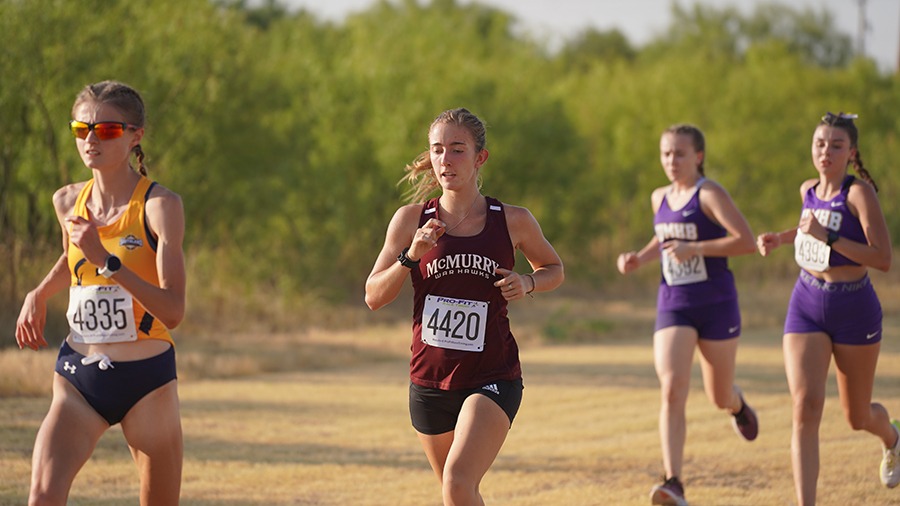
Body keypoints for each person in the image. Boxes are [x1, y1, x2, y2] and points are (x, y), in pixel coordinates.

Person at [365, 108, 564, 505]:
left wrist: (527, 282)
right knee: (459, 493)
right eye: (438, 150)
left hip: (492, 375)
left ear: (480, 158)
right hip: (429, 380)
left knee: (457, 481)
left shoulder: (512, 220)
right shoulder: (410, 221)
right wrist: (410, 256)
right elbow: (373, 296)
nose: (445, 160)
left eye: (457, 150)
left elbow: (554, 269)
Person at [15, 80, 185, 505]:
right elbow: (73, 261)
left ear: (134, 136)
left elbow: (173, 310)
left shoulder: (159, 207)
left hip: (147, 381)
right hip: (79, 377)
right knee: (41, 496)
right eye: (81, 129)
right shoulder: (67, 200)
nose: (91, 139)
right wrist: (38, 292)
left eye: (107, 130)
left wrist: (108, 261)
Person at [756, 112, 898, 505]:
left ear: (851, 152)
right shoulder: (808, 190)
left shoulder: (858, 195)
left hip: (854, 308)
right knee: (805, 406)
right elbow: (808, 229)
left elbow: (883, 258)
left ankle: (893, 437)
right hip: (806, 302)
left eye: (836, 145)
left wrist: (830, 236)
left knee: (857, 418)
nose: (826, 151)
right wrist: (780, 239)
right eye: (820, 143)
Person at [616, 124, 759, 506]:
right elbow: (663, 241)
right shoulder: (658, 196)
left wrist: (695, 248)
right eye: (665, 154)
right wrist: (639, 258)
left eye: (680, 154)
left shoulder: (709, 194)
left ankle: (737, 404)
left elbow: (745, 241)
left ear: (698, 156)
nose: (671, 161)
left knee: (718, 394)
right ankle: (673, 480)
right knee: (673, 387)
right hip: (674, 303)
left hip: (716, 304)